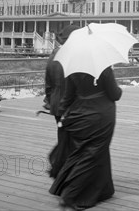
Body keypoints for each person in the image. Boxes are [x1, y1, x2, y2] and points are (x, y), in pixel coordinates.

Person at [49, 66, 122, 210]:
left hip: (79, 114)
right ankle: (70, 195)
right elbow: (115, 94)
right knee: (92, 153)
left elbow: (68, 96)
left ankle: (102, 189)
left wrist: (62, 115)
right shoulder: (103, 67)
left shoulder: (72, 68)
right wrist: (119, 89)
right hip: (101, 115)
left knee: (82, 151)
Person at [44, 24, 82, 178]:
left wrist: (49, 99)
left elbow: (48, 82)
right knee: (73, 139)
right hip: (71, 103)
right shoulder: (73, 57)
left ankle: (60, 165)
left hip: (56, 102)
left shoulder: (54, 54)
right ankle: (61, 166)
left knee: (63, 135)